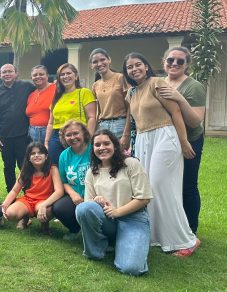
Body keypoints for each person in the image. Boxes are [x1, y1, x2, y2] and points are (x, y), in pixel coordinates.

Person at [123, 52, 200, 256]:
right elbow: (130, 118)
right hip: (143, 139)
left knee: (162, 186)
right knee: (148, 188)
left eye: (138, 64)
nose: (134, 69)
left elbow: (175, 112)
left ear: (146, 66)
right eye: (130, 67)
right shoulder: (131, 92)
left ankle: (186, 239)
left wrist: (183, 142)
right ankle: (158, 235)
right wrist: (124, 140)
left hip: (165, 136)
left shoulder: (157, 83)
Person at [76, 129, 152, 276]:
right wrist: (96, 200)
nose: (102, 147)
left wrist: (118, 212)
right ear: (93, 149)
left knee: (131, 268)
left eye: (106, 143)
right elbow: (88, 204)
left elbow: (144, 198)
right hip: (107, 219)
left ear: (115, 146)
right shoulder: (92, 172)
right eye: (97, 145)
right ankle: (97, 250)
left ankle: (124, 243)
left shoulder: (131, 164)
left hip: (133, 219)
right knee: (83, 209)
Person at [158, 47, 206, 234]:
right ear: (164, 61)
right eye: (171, 60)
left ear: (188, 64)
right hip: (166, 141)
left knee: (187, 184)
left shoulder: (194, 86)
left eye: (180, 61)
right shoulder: (159, 83)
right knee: (167, 184)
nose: (174, 64)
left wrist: (179, 98)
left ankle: (190, 229)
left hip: (190, 141)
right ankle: (171, 224)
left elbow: (195, 120)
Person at [0, 142, 64, 234]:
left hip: (44, 201)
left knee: (46, 211)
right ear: (29, 158)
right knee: (10, 214)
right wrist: (5, 205)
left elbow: (59, 191)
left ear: (46, 156)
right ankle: (25, 218)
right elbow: (14, 190)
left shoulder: (53, 169)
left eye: (40, 153)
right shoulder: (26, 170)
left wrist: (44, 204)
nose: (36, 155)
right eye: (33, 154)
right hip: (28, 200)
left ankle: (45, 226)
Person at [0, 64, 35, 192]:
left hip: (23, 135)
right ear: (0, 75)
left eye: (10, 71)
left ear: (16, 73)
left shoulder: (26, 87)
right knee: (8, 166)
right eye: (4, 72)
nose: (7, 74)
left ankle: (28, 191)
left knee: (24, 165)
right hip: (5, 137)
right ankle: (11, 193)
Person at [45, 63, 96, 165]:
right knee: (55, 166)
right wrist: (46, 141)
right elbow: (51, 122)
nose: (65, 76)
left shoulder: (84, 92)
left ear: (76, 76)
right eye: (62, 74)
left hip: (76, 134)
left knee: (78, 165)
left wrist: (88, 138)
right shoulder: (56, 97)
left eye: (69, 73)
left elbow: (91, 117)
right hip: (56, 136)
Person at [51, 120, 92, 240]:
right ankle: (75, 229)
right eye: (68, 135)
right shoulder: (64, 155)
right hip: (76, 195)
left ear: (84, 133)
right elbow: (63, 181)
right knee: (59, 208)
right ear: (64, 138)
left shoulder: (93, 149)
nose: (72, 137)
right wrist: (73, 194)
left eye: (76, 133)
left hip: (96, 194)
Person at [89, 48, 130, 147]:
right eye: (95, 62)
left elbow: (130, 107)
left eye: (102, 59)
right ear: (91, 66)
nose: (99, 64)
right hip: (103, 126)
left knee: (122, 158)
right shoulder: (95, 85)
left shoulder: (121, 78)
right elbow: (98, 111)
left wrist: (126, 133)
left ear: (109, 60)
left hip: (120, 124)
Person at [25, 65, 55, 144]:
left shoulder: (56, 88)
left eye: (41, 74)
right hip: (32, 133)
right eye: (35, 75)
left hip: (50, 132)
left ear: (47, 76)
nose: (38, 77)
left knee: (50, 155)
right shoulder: (31, 95)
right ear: (31, 78)